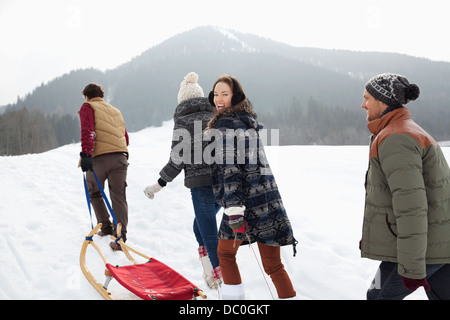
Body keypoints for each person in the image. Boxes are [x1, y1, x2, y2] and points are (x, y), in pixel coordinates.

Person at [206, 74, 297, 300]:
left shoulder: (226, 125)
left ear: (235, 96)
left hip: (242, 203)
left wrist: (235, 209)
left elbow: (231, 170)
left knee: (225, 254)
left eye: (224, 94)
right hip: (266, 201)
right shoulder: (248, 121)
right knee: (274, 265)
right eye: (216, 94)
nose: (219, 99)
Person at [360, 73, 450, 300]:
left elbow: (412, 206)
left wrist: (412, 267)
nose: (363, 105)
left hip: (423, 250)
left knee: (378, 297)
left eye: (367, 98)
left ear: (382, 101)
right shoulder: (404, 130)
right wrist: (378, 236)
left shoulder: (396, 137)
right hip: (428, 244)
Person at [143, 72, 222, 289]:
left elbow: (177, 159)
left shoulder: (183, 120)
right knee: (199, 228)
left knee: (207, 231)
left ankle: (223, 282)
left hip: (201, 185)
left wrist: (158, 184)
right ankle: (210, 273)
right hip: (223, 182)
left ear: (182, 100)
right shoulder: (216, 114)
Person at [78, 83, 130, 251]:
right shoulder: (116, 111)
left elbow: (88, 131)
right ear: (102, 95)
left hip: (99, 159)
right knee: (118, 196)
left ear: (87, 96)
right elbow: (125, 138)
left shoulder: (88, 107)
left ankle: (106, 227)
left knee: (94, 192)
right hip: (121, 157)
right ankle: (120, 237)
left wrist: (86, 154)